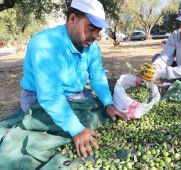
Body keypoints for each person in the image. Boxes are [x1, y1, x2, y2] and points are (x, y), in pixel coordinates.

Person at [19, 0, 128, 158]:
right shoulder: (46, 44)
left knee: (100, 114)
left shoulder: (91, 47)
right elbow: (50, 95)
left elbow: (97, 77)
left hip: (76, 93)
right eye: (91, 28)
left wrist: (108, 103)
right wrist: (76, 129)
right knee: (72, 129)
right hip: (38, 97)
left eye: (99, 30)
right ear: (72, 19)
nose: (96, 36)